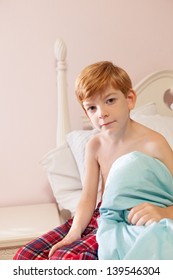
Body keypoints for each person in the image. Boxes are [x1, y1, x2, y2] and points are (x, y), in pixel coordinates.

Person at [13, 61, 173, 260]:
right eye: (92, 108)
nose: (102, 113)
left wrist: (164, 213)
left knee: (65, 260)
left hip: (133, 219)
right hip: (101, 215)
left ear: (130, 99)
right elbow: (88, 198)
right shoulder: (95, 145)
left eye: (110, 101)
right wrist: (74, 232)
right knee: (26, 256)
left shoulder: (154, 143)